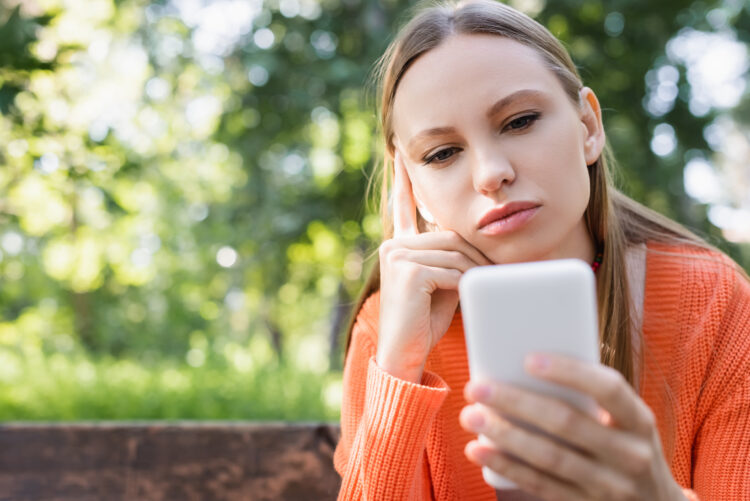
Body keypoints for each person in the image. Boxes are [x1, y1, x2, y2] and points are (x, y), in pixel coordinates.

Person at [333, 1, 750, 499]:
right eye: (442, 153)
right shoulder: (389, 329)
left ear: (588, 128)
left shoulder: (711, 300)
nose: (491, 174)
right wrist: (398, 366)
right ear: (412, 187)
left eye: (520, 121)